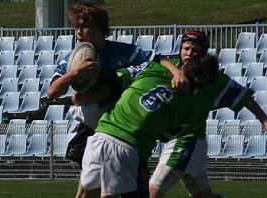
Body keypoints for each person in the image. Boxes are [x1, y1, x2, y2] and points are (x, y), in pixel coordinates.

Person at [148, 31, 267, 198]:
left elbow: (244, 97)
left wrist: (265, 120)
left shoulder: (214, 79)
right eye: (186, 48)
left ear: (203, 53)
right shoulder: (170, 65)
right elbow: (152, 57)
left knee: (149, 195)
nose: (189, 53)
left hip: (186, 142)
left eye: (195, 50)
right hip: (183, 142)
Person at [79, 54, 221, 198]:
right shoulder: (191, 109)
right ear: (205, 85)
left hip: (99, 137)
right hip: (130, 149)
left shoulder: (152, 68)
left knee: (87, 194)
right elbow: (166, 136)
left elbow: (120, 78)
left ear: (184, 66)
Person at [47, 1, 147, 197]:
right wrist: (75, 72)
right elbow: (52, 93)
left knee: (107, 185)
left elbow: (154, 63)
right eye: (76, 26)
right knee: (92, 184)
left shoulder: (127, 53)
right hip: (88, 128)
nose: (79, 32)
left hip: (122, 125)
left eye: (84, 26)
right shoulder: (71, 59)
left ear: (101, 28)